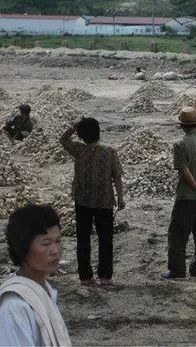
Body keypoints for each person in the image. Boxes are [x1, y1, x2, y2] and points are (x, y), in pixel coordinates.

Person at [0, 205, 71, 346]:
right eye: (46, 243)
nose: (55, 251)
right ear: (23, 247)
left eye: (58, 241)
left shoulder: (43, 289)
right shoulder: (14, 308)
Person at [60, 118, 124, 286]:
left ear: (81, 136)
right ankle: (105, 276)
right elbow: (117, 176)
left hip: (83, 201)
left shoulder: (79, 150)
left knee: (83, 239)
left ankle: (85, 277)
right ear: (99, 132)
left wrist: (74, 126)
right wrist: (121, 197)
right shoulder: (109, 152)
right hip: (104, 202)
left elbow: (63, 140)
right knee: (105, 240)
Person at [165, 106, 196, 279]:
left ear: (181, 126)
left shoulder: (180, 145)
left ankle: (177, 271)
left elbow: (184, 171)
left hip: (187, 197)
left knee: (178, 235)